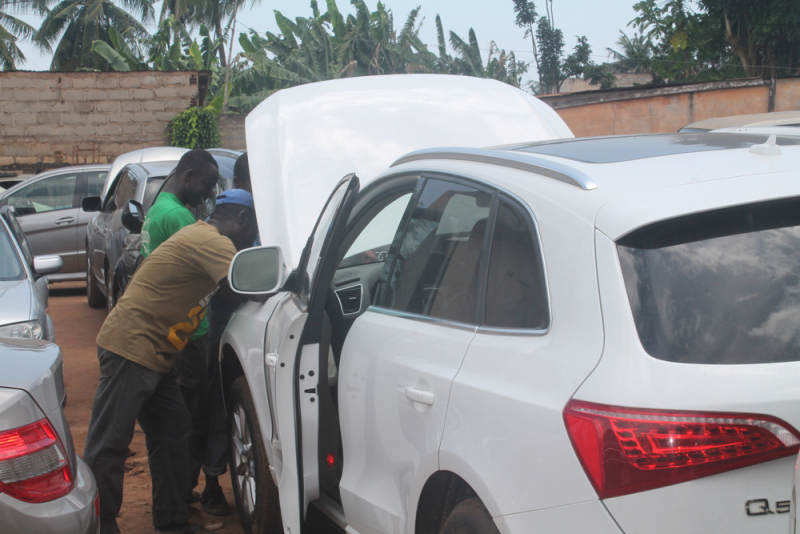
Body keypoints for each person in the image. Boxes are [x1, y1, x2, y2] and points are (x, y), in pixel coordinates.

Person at [83, 190, 259, 534]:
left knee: (173, 428)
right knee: (110, 440)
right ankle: (99, 522)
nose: (251, 236)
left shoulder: (198, 234)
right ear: (241, 220)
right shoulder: (213, 242)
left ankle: (171, 517)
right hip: (131, 347)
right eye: (252, 226)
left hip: (155, 352)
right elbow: (240, 287)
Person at [140, 149, 219, 500]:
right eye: (207, 184)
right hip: (188, 335)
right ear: (188, 176)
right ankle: (183, 493)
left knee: (179, 416)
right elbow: (217, 272)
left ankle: (178, 493)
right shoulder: (177, 219)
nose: (209, 194)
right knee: (188, 418)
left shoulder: (158, 210)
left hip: (171, 330)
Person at [200, 153, 252, 515]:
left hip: (215, 327)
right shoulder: (242, 212)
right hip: (222, 326)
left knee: (215, 402)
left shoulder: (223, 206)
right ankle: (211, 485)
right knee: (219, 403)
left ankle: (209, 482)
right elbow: (233, 286)